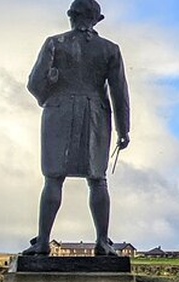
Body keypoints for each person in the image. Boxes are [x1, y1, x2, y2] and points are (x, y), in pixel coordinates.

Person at [23, 0, 130, 256]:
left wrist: (50, 85)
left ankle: (42, 242)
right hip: (95, 114)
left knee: (53, 178)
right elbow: (119, 94)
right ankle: (102, 242)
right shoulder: (110, 49)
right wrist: (123, 129)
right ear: (96, 19)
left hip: (58, 112)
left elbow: (35, 85)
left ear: (71, 16)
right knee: (98, 179)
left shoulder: (54, 43)